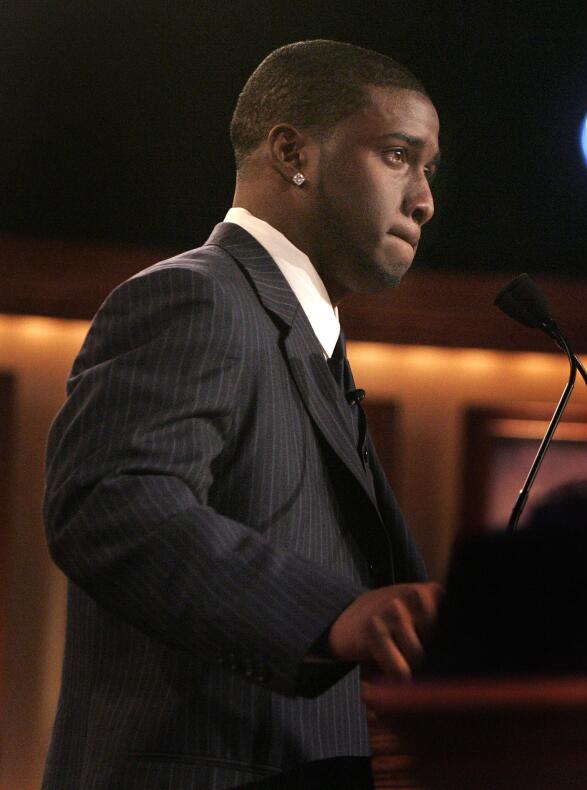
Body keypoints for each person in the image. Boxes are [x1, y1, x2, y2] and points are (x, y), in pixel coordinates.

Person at [42, 40, 442, 789]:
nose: (424, 199)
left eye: (428, 170)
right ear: (293, 151)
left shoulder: (312, 346)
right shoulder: (198, 298)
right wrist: (331, 618)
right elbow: (109, 502)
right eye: (398, 155)